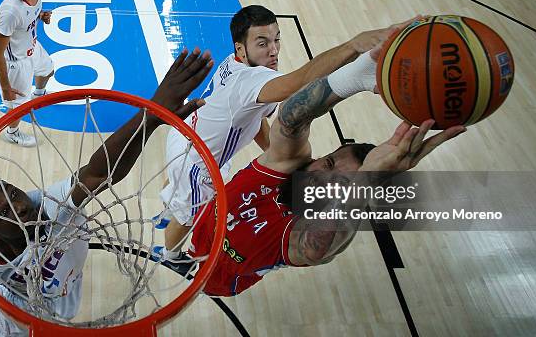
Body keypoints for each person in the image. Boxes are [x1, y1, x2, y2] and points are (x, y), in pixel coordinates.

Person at [0, 48, 213, 336]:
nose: (19, 205)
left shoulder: (51, 205)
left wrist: (150, 115)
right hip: (7, 328)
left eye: (13, 193)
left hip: (60, 310)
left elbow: (98, 171)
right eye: (2, 212)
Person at [189, 44, 466, 297]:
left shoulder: (302, 232)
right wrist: (354, 78)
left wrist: (368, 176)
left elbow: (314, 248)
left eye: (342, 183)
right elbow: (289, 118)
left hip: (220, 279)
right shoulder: (286, 165)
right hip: (199, 234)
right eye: (329, 163)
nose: (322, 178)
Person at [156, 5, 411, 263]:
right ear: (241, 48)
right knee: (189, 213)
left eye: (276, 39)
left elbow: (255, 121)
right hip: (196, 157)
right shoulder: (251, 82)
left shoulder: (235, 64)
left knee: (180, 184)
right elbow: (300, 83)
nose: (274, 49)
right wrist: (353, 46)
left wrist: (277, 155)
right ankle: (172, 256)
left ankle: (166, 209)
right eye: (263, 43)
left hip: (186, 135)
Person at [0, 0, 54, 147]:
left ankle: (38, 95)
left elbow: (28, 15)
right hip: (15, 64)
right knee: (20, 107)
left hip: (32, 46)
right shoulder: (10, 11)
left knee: (48, 70)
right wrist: (6, 88)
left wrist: (39, 16)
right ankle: (12, 132)